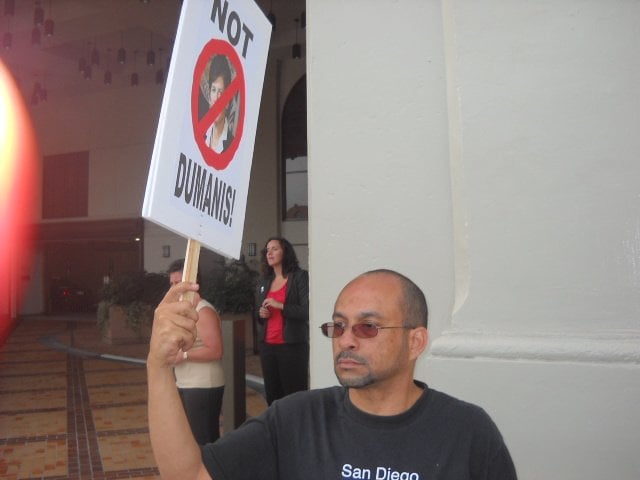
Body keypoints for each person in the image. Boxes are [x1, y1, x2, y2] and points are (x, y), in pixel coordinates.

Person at [147, 269, 517, 479]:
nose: (346, 340)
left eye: (368, 327)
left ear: (415, 342)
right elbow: (188, 475)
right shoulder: (294, 419)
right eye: (338, 327)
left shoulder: (467, 432)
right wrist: (158, 366)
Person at [166, 259, 224, 444]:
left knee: (204, 441)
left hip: (203, 385)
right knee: (190, 440)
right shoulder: (183, 310)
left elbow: (215, 351)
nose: (173, 289)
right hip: (185, 382)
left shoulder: (203, 311)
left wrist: (183, 356)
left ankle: (210, 473)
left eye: (178, 284)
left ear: (192, 284)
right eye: (171, 284)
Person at [254, 237, 310, 405]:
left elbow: (307, 311)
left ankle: (296, 430)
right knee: (272, 395)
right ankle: (276, 429)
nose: (269, 253)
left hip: (291, 346)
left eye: (275, 249)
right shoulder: (263, 282)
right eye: (267, 250)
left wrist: (280, 305)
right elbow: (257, 315)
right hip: (268, 346)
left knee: (293, 397)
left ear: (285, 252)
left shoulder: (300, 277)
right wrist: (261, 314)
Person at [204, 55, 234, 153]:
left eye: (221, 92)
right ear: (209, 97)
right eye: (213, 90)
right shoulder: (200, 135)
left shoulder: (231, 145)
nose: (216, 99)